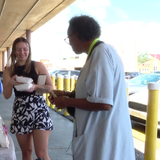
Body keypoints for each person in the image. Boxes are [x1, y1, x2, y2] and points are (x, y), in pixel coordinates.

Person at [49, 15, 135, 160]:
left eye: (68, 38)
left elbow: (104, 103)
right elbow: (94, 94)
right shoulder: (97, 53)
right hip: (98, 138)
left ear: (76, 35)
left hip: (105, 142)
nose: (69, 43)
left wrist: (67, 102)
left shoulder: (101, 53)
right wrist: (67, 94)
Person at [3, 37, 54, 160]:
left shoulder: (38, 66)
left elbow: (50, 88)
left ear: (29, 50)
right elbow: (6, 95)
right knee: (26, 152)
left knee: (41, 154)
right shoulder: (9, 70)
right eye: (19, 50)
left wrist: (35, 86)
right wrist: (10, 82)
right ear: (14, 52)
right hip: (20, 111)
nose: (22, 52)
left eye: (25, 49)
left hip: (39, 109)